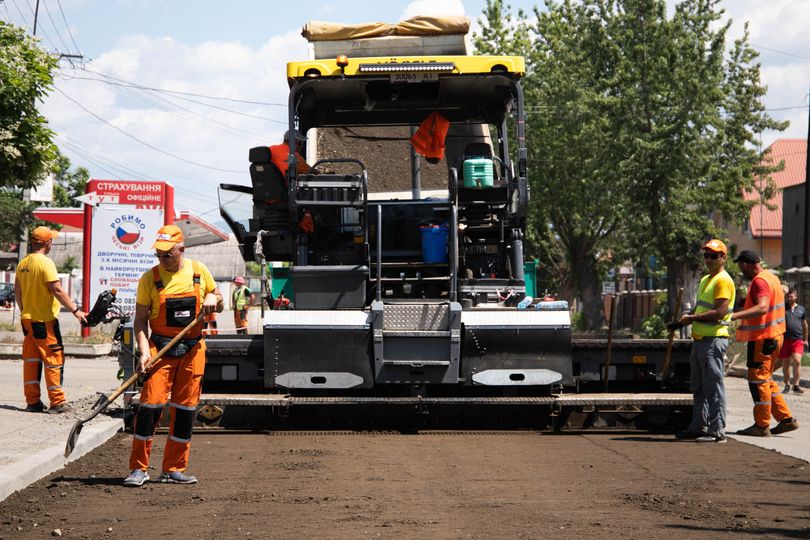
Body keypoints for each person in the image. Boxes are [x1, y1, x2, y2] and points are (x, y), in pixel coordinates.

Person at [123, 224, 222, 487]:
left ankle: (173, 469)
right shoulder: (150, 279)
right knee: (149, 407)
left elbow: (219, 298)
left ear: (181, 249)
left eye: (168, 254)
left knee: (185, 410)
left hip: (192, 350)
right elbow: (140, 321)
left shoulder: (199, 272)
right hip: (160, 349)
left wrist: (214, 298)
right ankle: (138, 468)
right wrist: (144, 352)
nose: (162, 259)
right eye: (159, 254)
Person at [667, 239, 735, 443]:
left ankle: (717, 430)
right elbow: (702, 308)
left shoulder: (723, 280)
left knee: (713, 386)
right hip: (700, 340)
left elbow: (720, 312)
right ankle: (698, 426)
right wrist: (681, 322)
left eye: (713, 256)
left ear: (723, 258)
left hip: (713, 340)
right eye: (706, 255)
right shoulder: (706, 279)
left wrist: (692, 319)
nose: (709, 259)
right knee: (699, 387)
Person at [14, 226, 87, 414]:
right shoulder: (46, 263)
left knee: (31, 360)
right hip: (44, 321)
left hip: (28, 320)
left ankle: (33, 402)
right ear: (47, 243)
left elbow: (18, 293)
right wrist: (76, 310)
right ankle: (57, 402)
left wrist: (25, 312)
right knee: (53, 359)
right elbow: (57, 289)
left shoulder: (23, 264)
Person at [730, 250, 799, 437]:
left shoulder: (759, 281)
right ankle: (786, 420)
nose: (740, 270)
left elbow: (762, 307)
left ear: (745, 265)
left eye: (740, 266)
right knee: (766, 379)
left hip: (763, 338)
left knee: (757, 381)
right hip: (775, 336)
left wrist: (733, 315)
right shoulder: (772, 278)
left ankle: (761, 425)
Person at [779, 288, 807, 394]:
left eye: (792, 296)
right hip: (785, 339)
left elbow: (805, 325)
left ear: (796, 297)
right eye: (788, 296)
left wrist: (806, 339)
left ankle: (796, 385)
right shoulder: (782, 308)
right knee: (785, 362)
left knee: (797, 361)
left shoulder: (802, 309)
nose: (790, 298)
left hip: (797, 340)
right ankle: (787, 384)